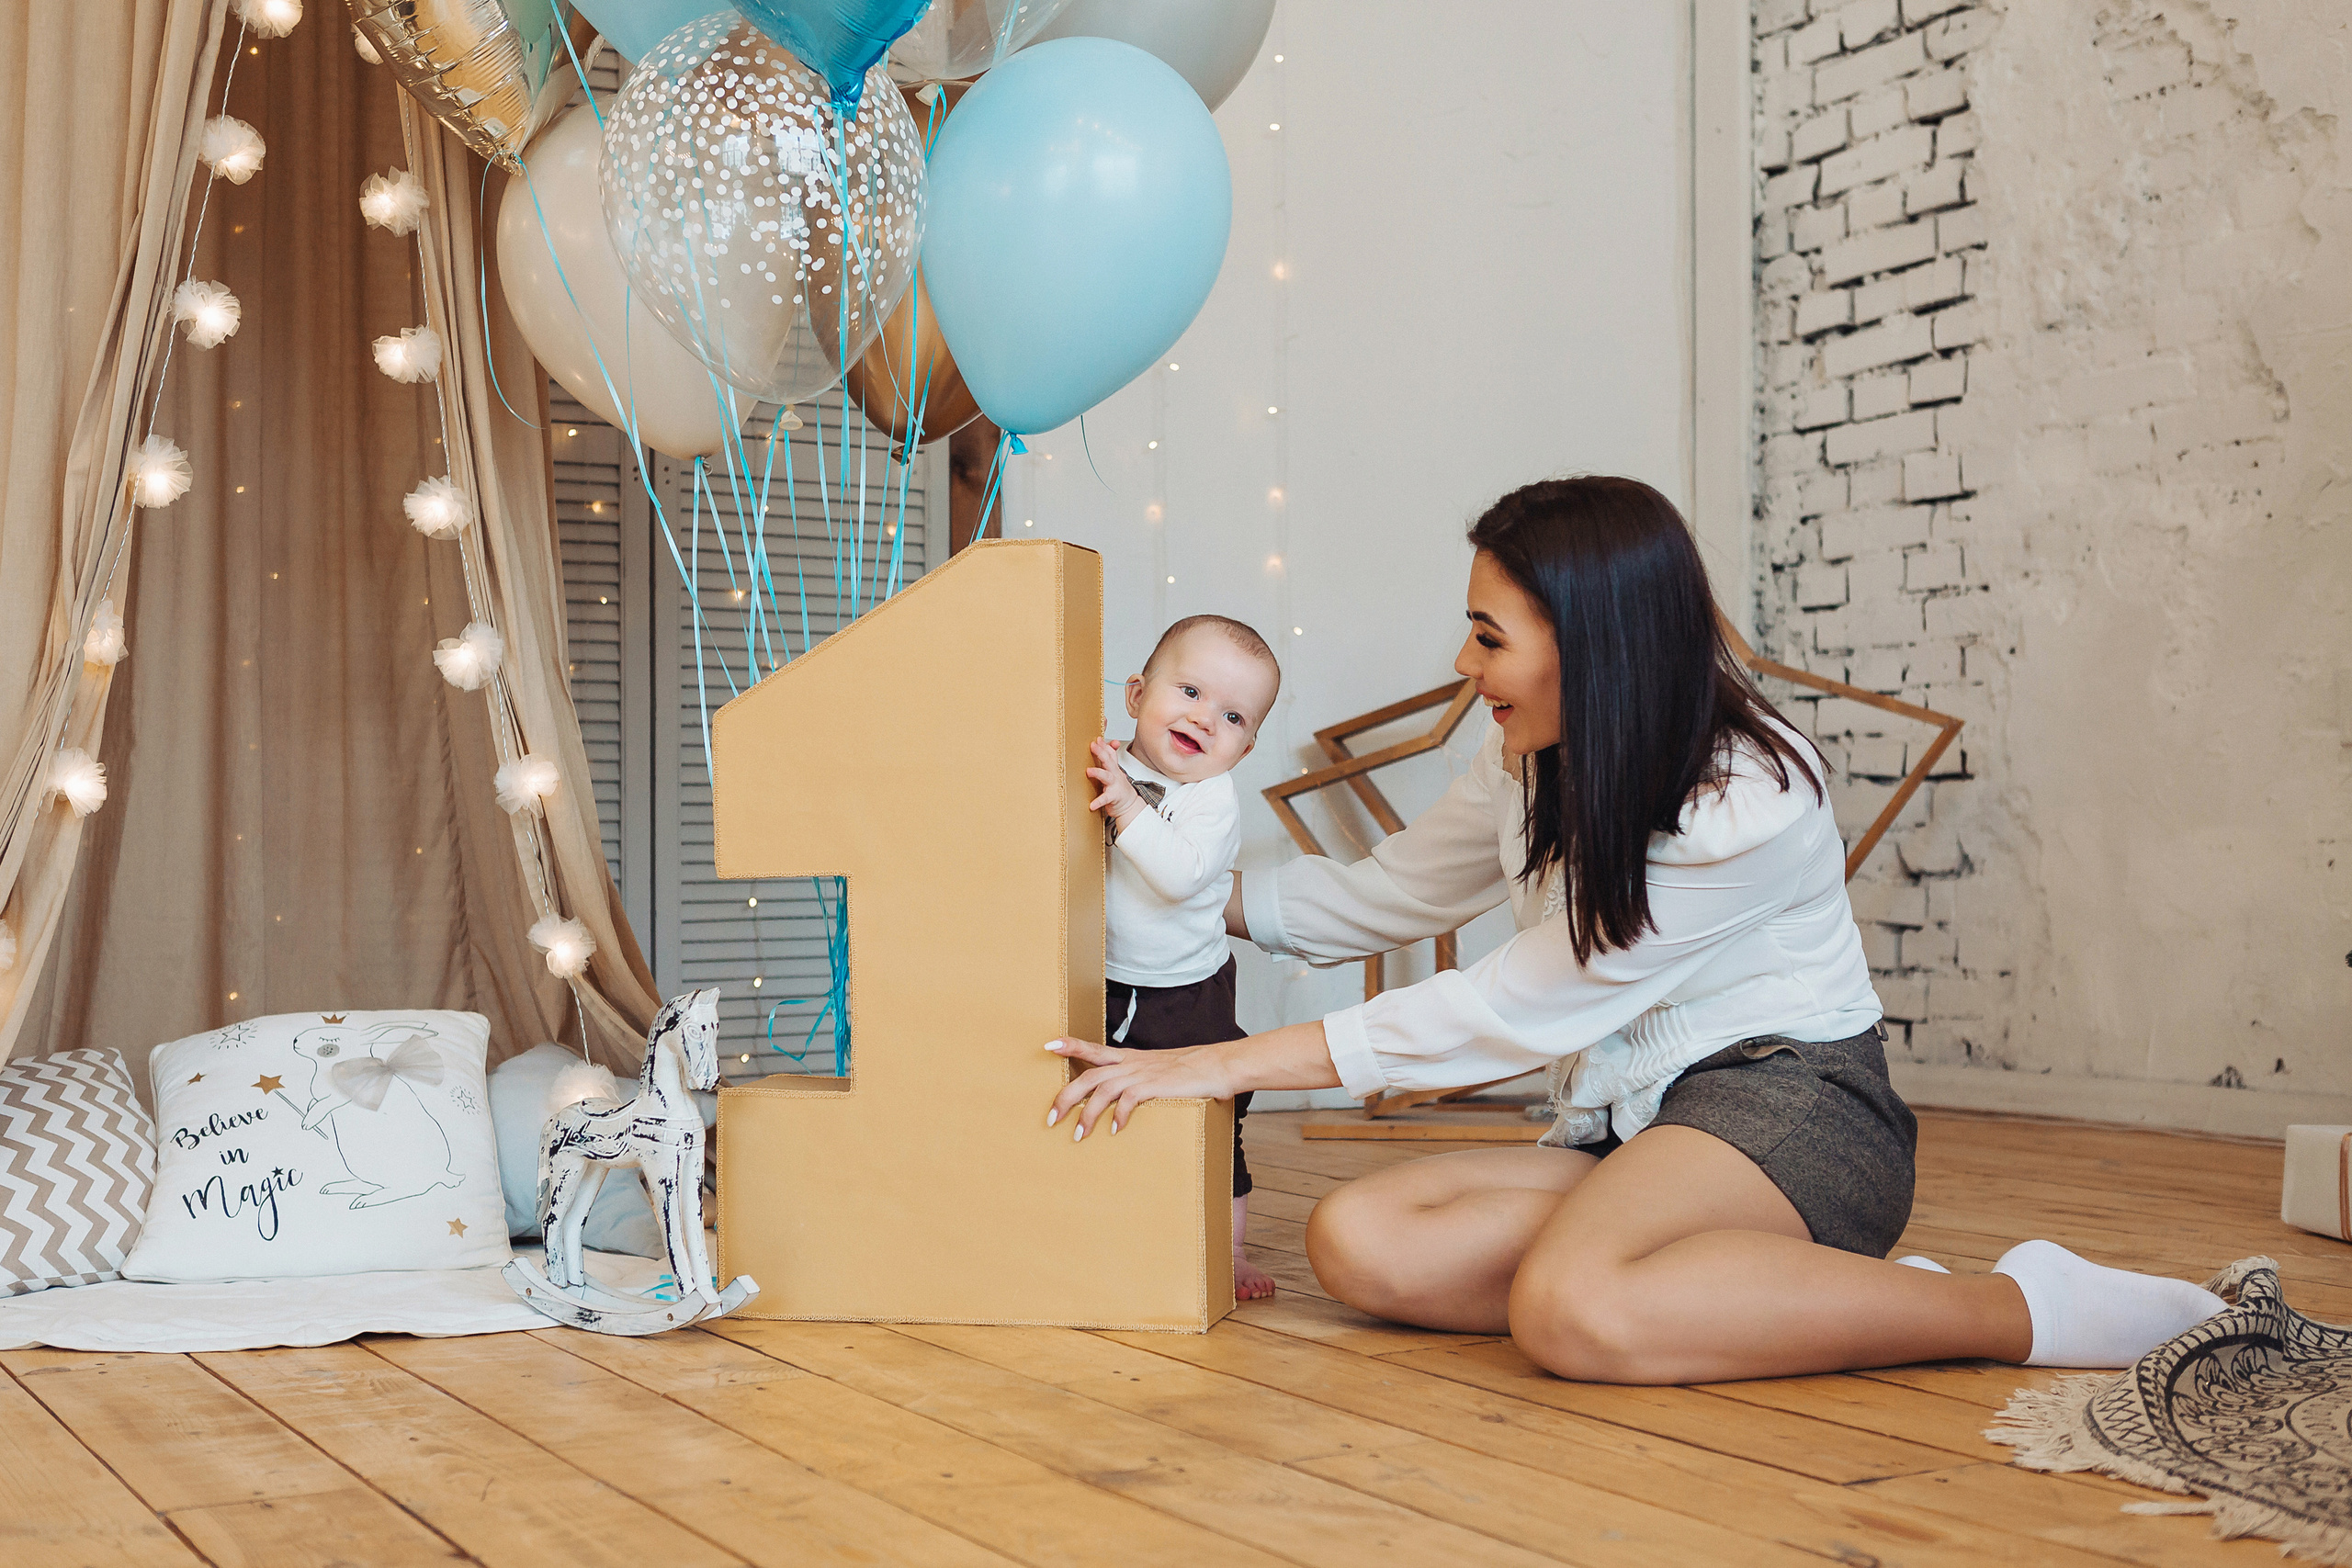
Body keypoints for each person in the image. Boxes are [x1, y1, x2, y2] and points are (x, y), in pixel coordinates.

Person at [1047, 477, 2223, 1382]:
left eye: (1489, 637)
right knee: (1361, 1242)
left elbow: (1508, 1008)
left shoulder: (1742, 802)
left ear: (1592, 646)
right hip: (1630, 1122)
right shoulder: (1527, 754)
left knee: (1575, 1309)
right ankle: (1771, 1288)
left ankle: (2020, 1308)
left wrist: (1208, 1065)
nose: (1464, 664)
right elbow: (1385, 895)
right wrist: (1170, 886)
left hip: (1792, 1105)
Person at [1079, 614, 1284, 1301]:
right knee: (1105, 1095)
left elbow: (1178, 876)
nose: (1203, 719)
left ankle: (1226, 1246)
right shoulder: (1110, 763)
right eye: (1190, 692)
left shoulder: (1210, 799)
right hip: (1102, 976)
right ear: (1136, 694)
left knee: (1210, 1112)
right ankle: (1104, 1220)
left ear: (1245, 748)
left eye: (1230, 715)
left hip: (1184, 988)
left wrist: (1129, 810)